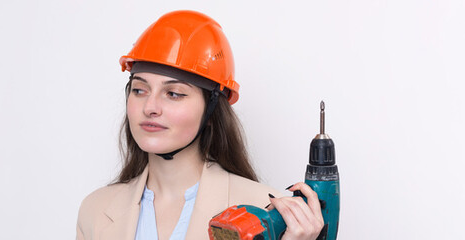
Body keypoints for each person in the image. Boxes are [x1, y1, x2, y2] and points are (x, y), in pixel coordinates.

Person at [75, 10, 324, 240]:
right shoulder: (96, 211)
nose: (150, 106)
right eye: (139, 89)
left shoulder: (271, 213)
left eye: (173, 93)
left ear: (212, 106)